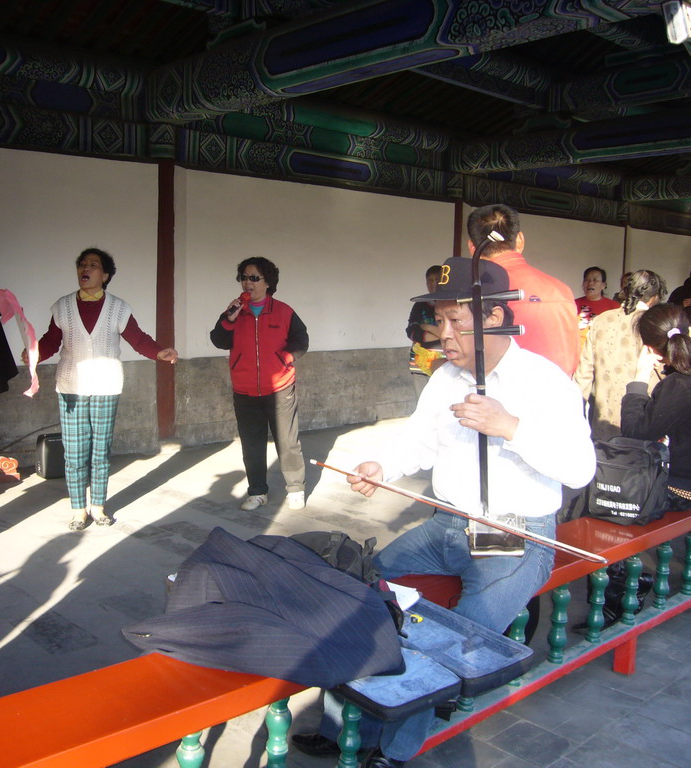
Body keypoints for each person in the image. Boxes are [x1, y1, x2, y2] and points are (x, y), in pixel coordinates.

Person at [292, 257, 594, 768]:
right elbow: (419, 440)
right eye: (439, 320)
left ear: (495, 318)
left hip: (515, 533)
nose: (442, 334)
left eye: (456, 322)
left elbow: (580, 469)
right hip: (447, 524)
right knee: (359, 591)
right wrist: (380, 465)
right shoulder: (446, 377)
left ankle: (395, 752)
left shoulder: (545, 382)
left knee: (451, 645)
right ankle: (346, 728)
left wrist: (512, 428)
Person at [35, 248, 177, 530]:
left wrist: (159, 352)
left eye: (93, 265)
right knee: (74, 452)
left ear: (105, 275)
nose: (85, 269)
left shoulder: (118, 307)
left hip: (106, 385)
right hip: (71, 386)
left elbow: (138, 338)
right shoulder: (62, 307)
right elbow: (51, 341)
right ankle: (78, 510)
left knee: (100, 450)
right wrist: (33, 353)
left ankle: (98, 506)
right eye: (82, 264)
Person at [210, 257, 309, 511]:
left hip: (279, 388)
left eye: (254, 278)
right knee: (251, 443)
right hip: (244, 390)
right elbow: (218, 340)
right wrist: (229, 319)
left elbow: (301, 339)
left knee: (287, 441)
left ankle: (296, 488)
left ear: (268, 283)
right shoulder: (234, 312)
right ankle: (257, 492)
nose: (247, 283)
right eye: (244, 277)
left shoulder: (284, 311)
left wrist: (285, 358)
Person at [621, 302, 691, 509]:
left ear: (649, 349)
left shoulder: (679, 386)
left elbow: (634, 433)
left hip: (682, 489)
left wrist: (640, 377)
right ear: (690, 330)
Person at [466, 204, 579, 376]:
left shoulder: (477, 293)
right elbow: (574, 358)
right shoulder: (563, 290)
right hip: (559, 395)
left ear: (472, 248)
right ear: (519, 240)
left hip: (502, 398)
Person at [573, 269, 666, 442]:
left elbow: (583, 375)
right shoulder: (655, 324)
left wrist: (574, 412)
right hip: (642, 418)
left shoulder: (601, 320)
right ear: (654, 297)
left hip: (603, 419)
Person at [405, 265, 445, 398]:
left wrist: (426, 327)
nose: (433, 284)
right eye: (430, 280)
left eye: (437, 279)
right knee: (422, 405)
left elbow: (451, 333)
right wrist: (439, 334)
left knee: (444, 404)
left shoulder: (452, 304)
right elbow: (411, 332)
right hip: (419, 364)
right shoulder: (419, 304)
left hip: (445, 362)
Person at [574, 266, 620, 343]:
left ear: (604, 285)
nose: (590, 283)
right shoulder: (573, 304)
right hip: (579, 351)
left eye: (595, 280)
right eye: (587, 280)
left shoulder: (614, 307)